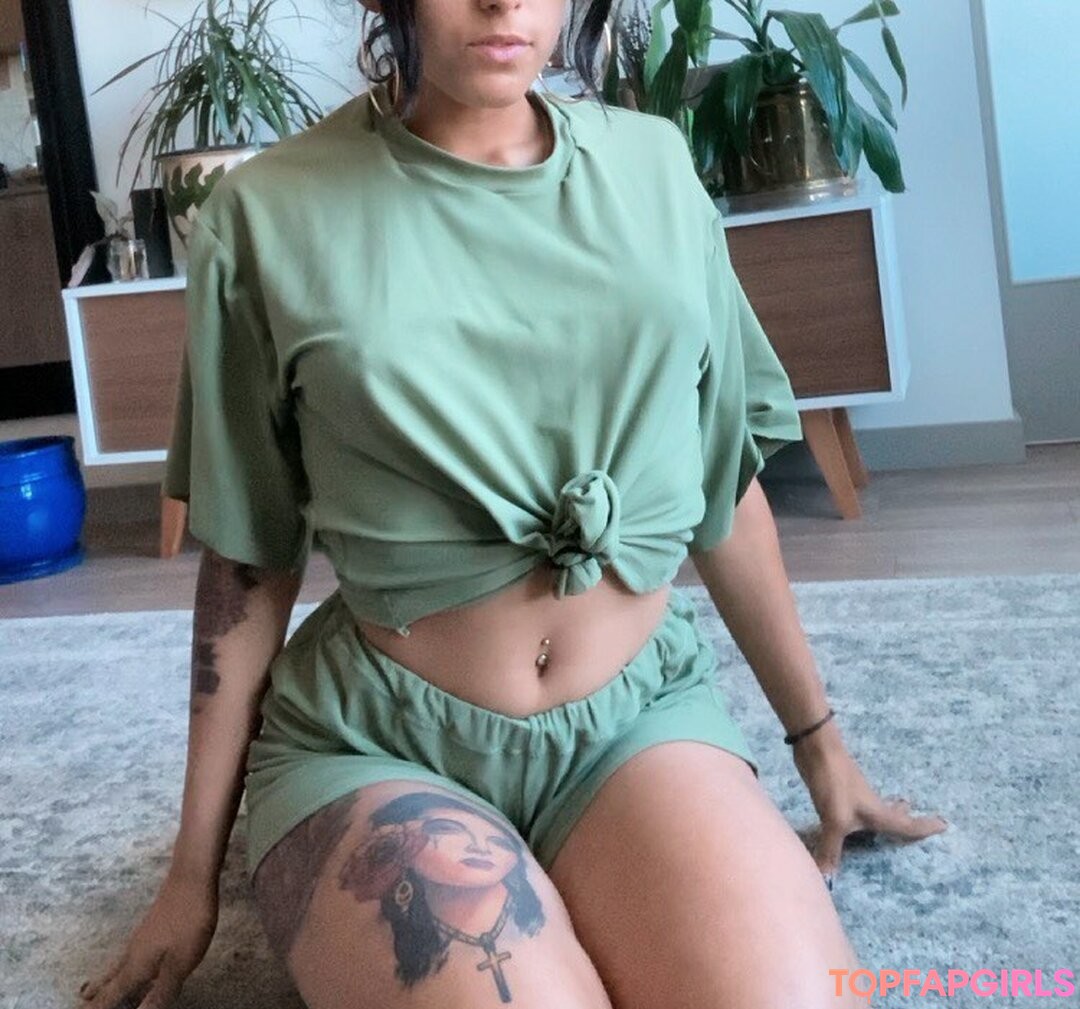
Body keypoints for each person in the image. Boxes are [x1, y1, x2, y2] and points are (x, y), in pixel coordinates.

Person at [76, 0, 948, 1005]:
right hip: (380, 743)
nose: (504, 2)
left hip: (632, 724)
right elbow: (248, 555)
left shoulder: (655, 167)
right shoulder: (266, 214)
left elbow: (721, 481)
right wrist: (190, 876)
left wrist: (820, 748)